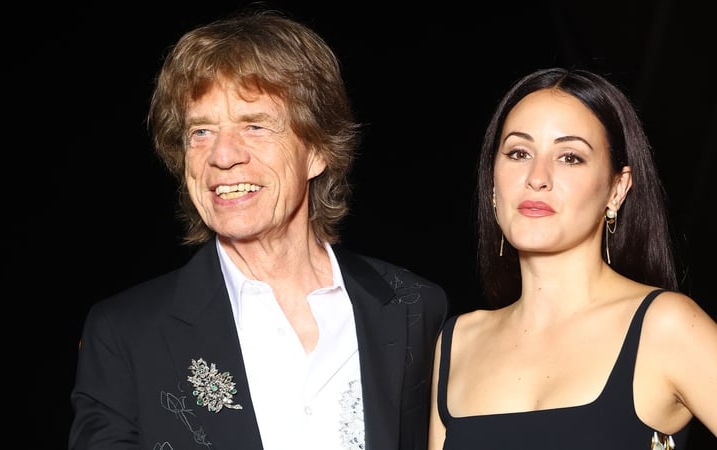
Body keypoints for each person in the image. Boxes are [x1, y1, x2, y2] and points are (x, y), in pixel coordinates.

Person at [69, 7, 449, 450]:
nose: (223, 155)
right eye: (201, 132)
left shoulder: (416, 309)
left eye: (254, 125)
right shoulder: (125, 334)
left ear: (318, 151)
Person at [427, 67, 717, 449]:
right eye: (519, 153)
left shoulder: (665, 328)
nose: (537, 176)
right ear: (493, 183)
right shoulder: (456, 343)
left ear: (617, 189)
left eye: (570, 157)